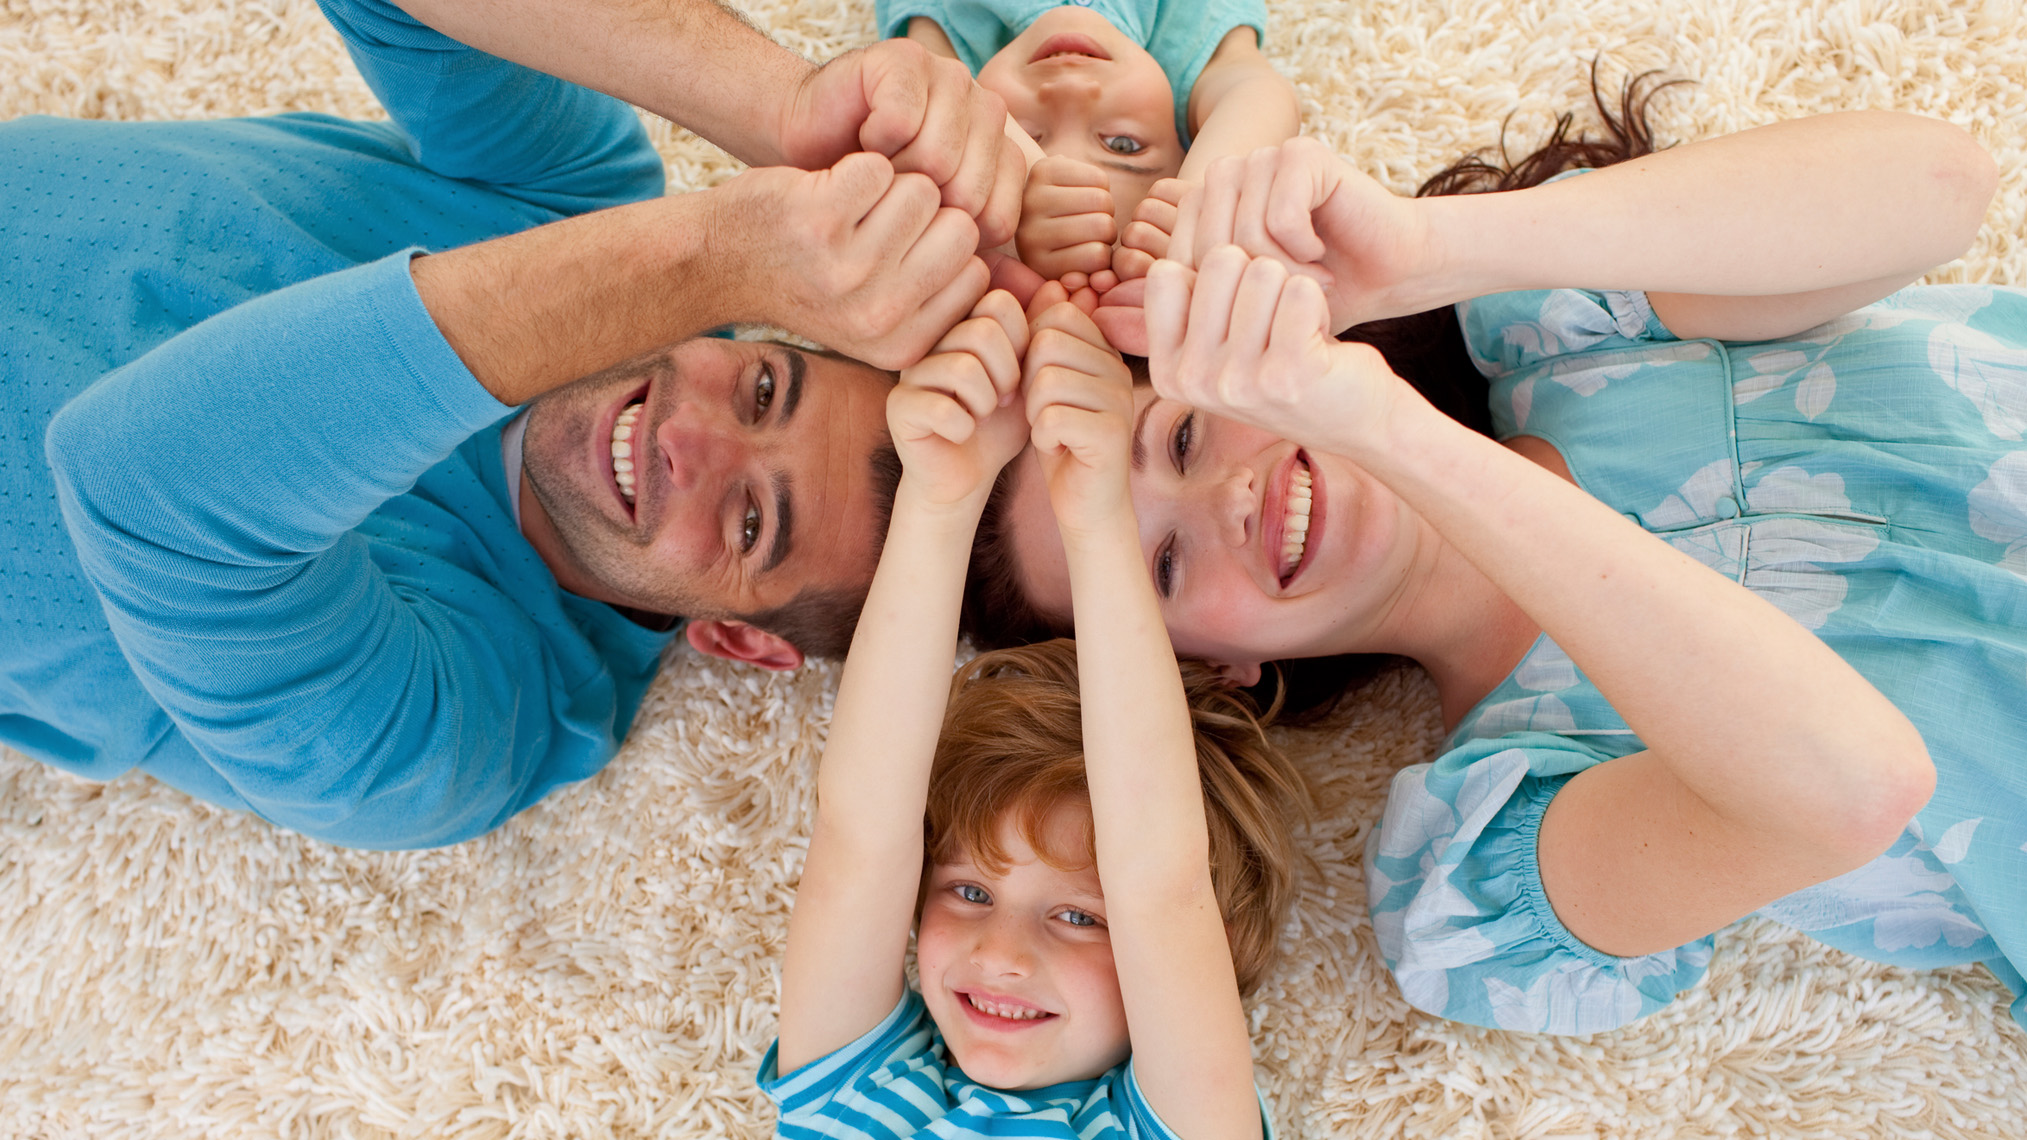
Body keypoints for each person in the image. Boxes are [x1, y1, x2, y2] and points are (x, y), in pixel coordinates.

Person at [963, 89, 2027, 1033]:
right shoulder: (1482, 849)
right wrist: (1376, 426)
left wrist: (1425, 251)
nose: (1226, 503)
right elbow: (1854, 785)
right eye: (1162, 567)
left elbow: (1943, 183)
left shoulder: (1562, 337)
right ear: (1206, 670)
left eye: (1185, 439)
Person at [3, 0, 1026, 849]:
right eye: (763, 391)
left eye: (751, 522)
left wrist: (719, 254)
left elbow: (138, 476)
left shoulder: (457, 739)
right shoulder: (589, 213)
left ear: (732, 639)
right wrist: (791, 110)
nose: (690, 441)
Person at [763, 286, 1306, 1136]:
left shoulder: (1182, 1123)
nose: (1001, 957)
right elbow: (862, 831)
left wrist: (1097, 518)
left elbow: (1160, 882)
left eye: (1081, 916)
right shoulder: (858, 1091)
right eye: (969, 890)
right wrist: (942, 497)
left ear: (1217, 950)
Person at [876, 0, 1299, 305]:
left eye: (1025, 138)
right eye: (1122, 145)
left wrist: (1010, 226)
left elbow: (929, 84)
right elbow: (1259, 92)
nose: (1070, 88)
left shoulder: (956, 28)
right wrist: (1200, 207)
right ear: (1187, 138)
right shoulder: (1182, 35)